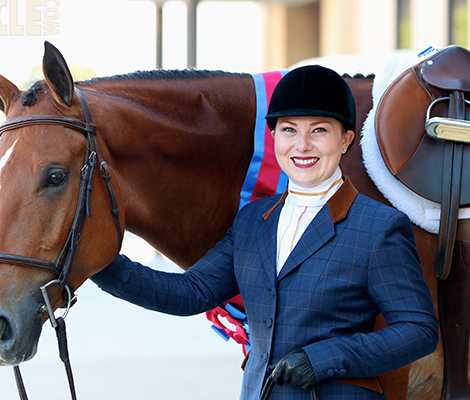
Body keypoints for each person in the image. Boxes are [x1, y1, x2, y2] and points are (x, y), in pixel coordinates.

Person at [91, 65, 439, 399]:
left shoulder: (379, 226)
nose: (302, 145)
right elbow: (191, 293)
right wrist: (101, 263)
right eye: (289, 130)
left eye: (319, 130)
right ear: (274, 136)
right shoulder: (253, 221)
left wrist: (324, 359)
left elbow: (418, 331)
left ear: (346, 139)